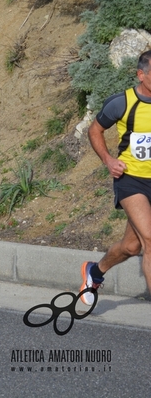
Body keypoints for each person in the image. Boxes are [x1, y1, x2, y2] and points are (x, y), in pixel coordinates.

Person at [84, 50, 151, 304]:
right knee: (150, 241)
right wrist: (108, 160)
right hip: (131, 180)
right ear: (141, 74)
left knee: (132, 247)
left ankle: (95, 271)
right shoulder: (122, 102)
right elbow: (95, 130)